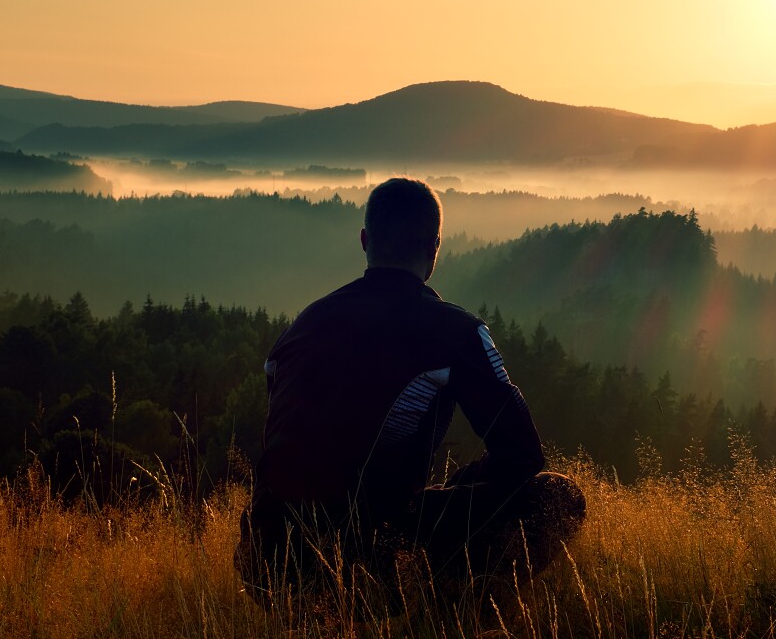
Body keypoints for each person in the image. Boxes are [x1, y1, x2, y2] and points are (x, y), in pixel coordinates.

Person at [236, 177, 585, 607]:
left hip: (264, 563)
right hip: (368, 566)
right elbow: (524, 455)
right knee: (558, 497)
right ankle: (454, 615)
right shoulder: (454, 331)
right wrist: (462, 487)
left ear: (365, 240)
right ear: (435, 247)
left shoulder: (301, 327)